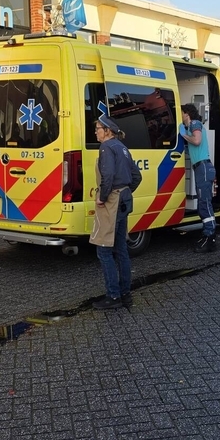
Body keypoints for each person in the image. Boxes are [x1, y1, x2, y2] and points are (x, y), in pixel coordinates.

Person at [90, 115, 142, 310]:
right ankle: (125, 293)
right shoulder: (122, 147)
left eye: (98, 128)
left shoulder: (106, 147)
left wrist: (103, 197)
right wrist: (126, 191)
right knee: (120, 248)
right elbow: (136, 176)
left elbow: (108, 175)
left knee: (103, 250)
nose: (96, 131)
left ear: (108, 131)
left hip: (112, 200)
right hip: (125, 197)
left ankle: (113, 296)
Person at [180, 103, 216, 252]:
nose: (180, 116)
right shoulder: (191, 127)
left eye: (181, 113)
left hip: (203, 168)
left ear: (187, 114)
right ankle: (207, 234)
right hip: (201, 168)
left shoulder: (195, 123)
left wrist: (183, 135)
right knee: (202, 203)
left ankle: (210, 236)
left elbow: (197, 140)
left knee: (204, 204)